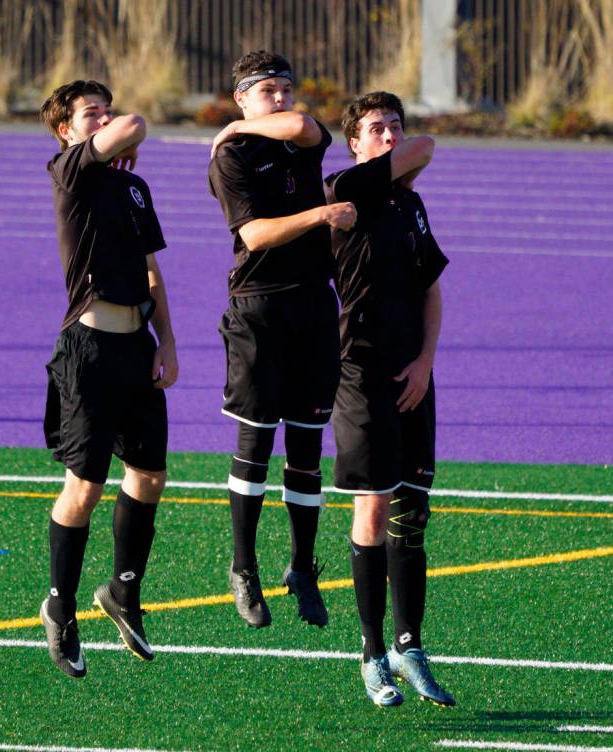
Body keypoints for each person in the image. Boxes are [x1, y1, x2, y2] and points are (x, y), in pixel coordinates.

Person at [208, 51, 356, 629]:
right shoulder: (232, 156)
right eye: (265, 89)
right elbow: (256, 233)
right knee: (255, 444)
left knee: (307, 448)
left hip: (314, 305)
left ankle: (301, 566)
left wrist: (242, 119)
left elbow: (303, 125)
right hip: (258, 310)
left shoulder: (293, 137)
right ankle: (243, 567)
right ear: (241, 96)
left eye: (285, 87)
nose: (280, 97)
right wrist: (320, 217)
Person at [37, 79, 178, 679]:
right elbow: (137, 125)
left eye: (105, 109)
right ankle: (60, 606)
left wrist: (167, 341)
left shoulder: (133, 188)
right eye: (90, 113)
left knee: (149, 477)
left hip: (135, 347)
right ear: (67, 131)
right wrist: (114, 131)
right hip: (89, 350)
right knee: (85, 488)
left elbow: (151, 271)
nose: (105, 118)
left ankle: (122, 592)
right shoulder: (70, 172)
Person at [324, 91, 456, 707]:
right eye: (376, 129)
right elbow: (425, 149)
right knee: (373, 508)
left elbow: (432, 289)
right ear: (354, 143)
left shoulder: (410, 202)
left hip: (414, 376)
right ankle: (372, 654)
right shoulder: (344, 189)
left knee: (414, 513)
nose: (390, 136)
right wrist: (406, 149)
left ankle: (412, 647)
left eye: (394, 127)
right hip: (360, 373)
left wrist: (426, 362)